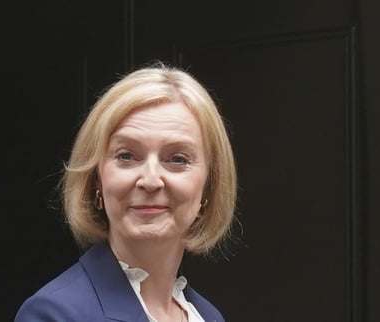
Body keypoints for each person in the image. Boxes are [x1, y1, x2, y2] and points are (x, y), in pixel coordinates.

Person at [15, 63, 237, 322]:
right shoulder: (54, 314)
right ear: (96, 179)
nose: (151, 180)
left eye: (177, 159)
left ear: (209, 185)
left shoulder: (208, 317)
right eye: (126, 156)